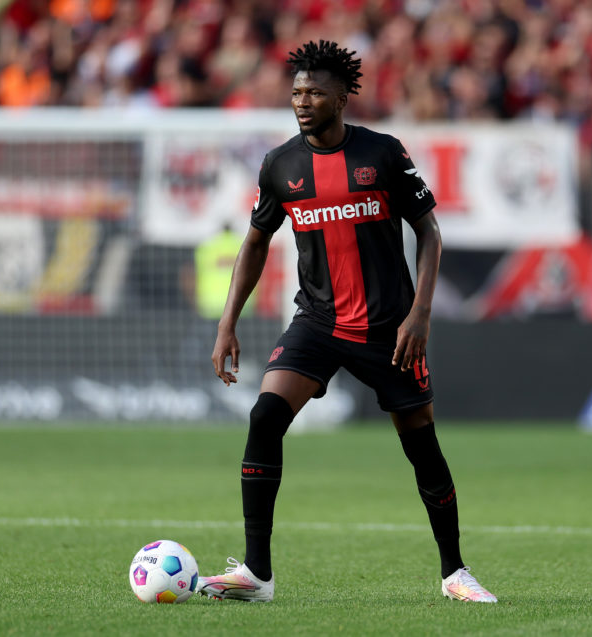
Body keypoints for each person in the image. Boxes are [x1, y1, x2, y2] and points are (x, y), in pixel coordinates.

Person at [198, 40, 496, 604]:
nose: (302, 101)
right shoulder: (281, 165)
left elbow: (429, 233)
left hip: (390, 331)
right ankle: (256, 574)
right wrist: (227, 323)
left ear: (341, 96)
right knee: (265, 416)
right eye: (296, 92)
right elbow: (256, 241)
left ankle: (455, 572)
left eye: (314, 92)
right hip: (317, 322)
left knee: (422, 449)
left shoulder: (383, 153)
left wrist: (419, 315)